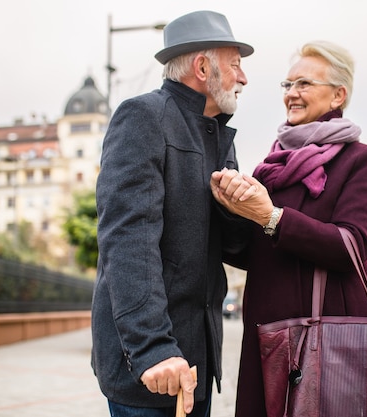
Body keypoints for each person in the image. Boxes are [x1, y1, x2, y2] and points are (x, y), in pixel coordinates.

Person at [210, 40, 367, 417]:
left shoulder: (362, 160)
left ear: (338, 94)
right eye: (287, 85)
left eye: (304, 84)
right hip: (268, 332)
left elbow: (352, 247)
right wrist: (228, 212)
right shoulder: (273, 165)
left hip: (331, 335)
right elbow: (259, 250)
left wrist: (272, 217)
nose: (291, 94)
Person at [91, 10, 253, 417]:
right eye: (235, 65)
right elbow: (128, 239)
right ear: (202, 67)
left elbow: (230, 248)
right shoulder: (142, 116)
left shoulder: (218, 135)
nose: (244, 78)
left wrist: (240, 209)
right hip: (151, 366)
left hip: (195, 362)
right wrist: (152, 348)